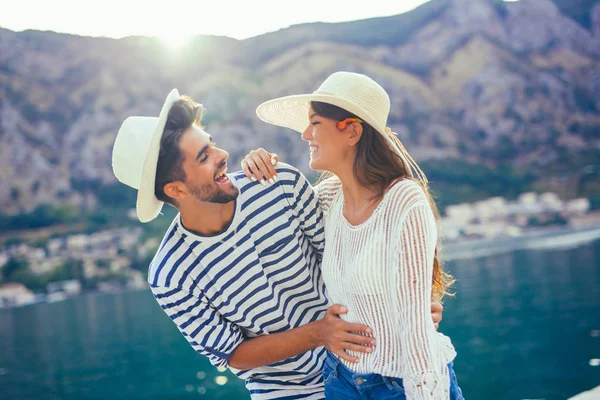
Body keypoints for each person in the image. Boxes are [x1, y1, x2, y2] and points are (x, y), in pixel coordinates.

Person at [111, 88, 444, 399]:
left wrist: (406, 307)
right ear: (175, 190)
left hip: (364, 367)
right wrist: (320, 333)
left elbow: (346, 254)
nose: (222, 154)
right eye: (203, 157)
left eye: (212, 144)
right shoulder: (171, 275)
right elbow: (235, 355)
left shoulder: (278, 184)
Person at [242, 71, 463, 399]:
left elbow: (416, 333)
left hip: (400, 383)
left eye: (315, 122)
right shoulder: (329, 197)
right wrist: (259, 166)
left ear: (352, 132)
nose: (305, 134)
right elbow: (276, 224)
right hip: (341, 380)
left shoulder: (404, 201)